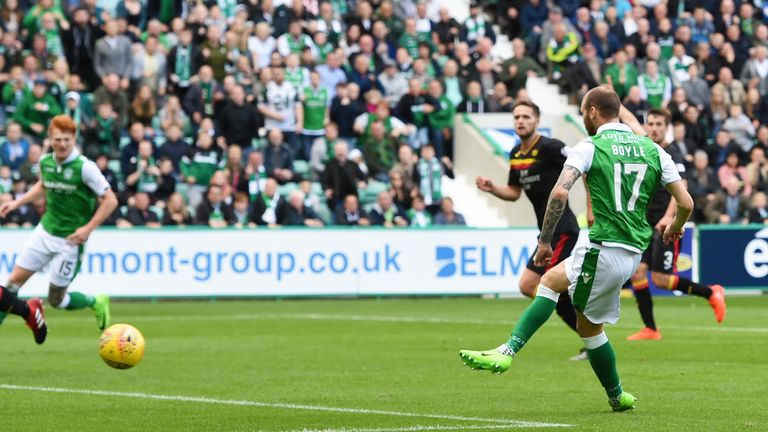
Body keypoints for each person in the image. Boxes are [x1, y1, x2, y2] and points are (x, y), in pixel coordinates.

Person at [460, 87, 694, 412]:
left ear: (593, 112)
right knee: (588, 327)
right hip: (631, 252)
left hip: (601, 245)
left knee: (550, 281)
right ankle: (617, 396)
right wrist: (675, 225)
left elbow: (559, 195)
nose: (584, 117)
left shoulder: (591, 145)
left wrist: (544, 242)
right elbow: (686, 201)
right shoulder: (653, 150)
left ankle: (507, 351)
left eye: (584, 111)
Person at [475, 100, 584, 360]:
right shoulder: (516, 154)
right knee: (528, 286)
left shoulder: (551, 147)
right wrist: (492, 189)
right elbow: (513, 193)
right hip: (545, 233)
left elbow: (584, 165)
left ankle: (587, 330)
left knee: (546, 287)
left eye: (526, 116)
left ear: (537, 120)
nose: (520, 121)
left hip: (563, 229)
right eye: (516, 117)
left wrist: (590, 207)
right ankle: (579, 313)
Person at [0, 115, 116, 333]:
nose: (62, 144)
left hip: (70, 242)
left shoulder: (85, 168)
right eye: (58, 139)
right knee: (11, 284)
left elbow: (111, 201)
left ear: (74, 139)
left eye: (67, 140)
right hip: (45, 233)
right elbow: (43, 186)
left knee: (56, 299)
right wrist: (17, 203)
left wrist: (87, 229)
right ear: (50, 139)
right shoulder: (45, 162)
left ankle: (95, 301)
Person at [626, 109, 727, 341]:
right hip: (645, 224)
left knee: (661, 279)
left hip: (667, 225)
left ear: (666, 127)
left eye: (659, 124)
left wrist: (669, 217)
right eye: (650, 123)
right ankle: (651, 329)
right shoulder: (646, 148)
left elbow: (680, 187)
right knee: (638, 273)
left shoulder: (672, 153)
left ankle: (711, 292)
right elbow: (630, 120)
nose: (653, 127)